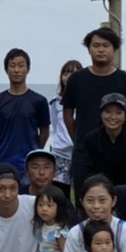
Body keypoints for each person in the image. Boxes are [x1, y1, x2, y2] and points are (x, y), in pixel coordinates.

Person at [62, 28, 126, 146]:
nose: (101, 50)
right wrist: (77, 140)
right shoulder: (76, 79)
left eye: (106, 45)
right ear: (89, 49)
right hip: (84, 151)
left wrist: (124, 142)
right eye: (96, 45)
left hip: (117, 151)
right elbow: (67, 114)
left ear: (114, 49)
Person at [0, 48, 51, 177]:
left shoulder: (39, 101)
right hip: (3, 160)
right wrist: (1, 149)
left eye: (21, 66)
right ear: (6, 70)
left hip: (30, 163)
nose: (17, 70)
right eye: (12, 66)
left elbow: (44, 132)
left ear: (28, 69)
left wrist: (35, 151)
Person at [69, 92, 126, 189]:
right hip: (101, 189)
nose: (113, 117)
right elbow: (88, 171)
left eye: (119, 113)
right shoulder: (91, 139)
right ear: (101, 114)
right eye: (108, 112)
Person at [48, 59, 83, 194]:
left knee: (82, 192)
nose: (69, 76)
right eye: (66, 72)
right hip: (60, 154)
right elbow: (56, 126)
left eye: (74, 72)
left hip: (80, 153)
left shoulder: (86, 100)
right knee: (60, 194)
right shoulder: (55, 102)